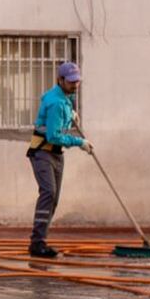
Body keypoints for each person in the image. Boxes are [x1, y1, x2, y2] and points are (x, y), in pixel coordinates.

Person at [26, 61, 92, 258]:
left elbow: (58, 120)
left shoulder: (64, 97)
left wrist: (70, 113)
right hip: (43, 153)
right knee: (48, 193)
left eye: (77, 81)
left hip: (56, 154)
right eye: (71, 82)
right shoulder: (56, 102)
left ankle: (39, 241)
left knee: (53, 199)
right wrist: (79, 142)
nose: (75, 85)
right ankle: (37, 243)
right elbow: (53, 136)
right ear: (60, 80)